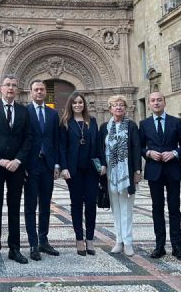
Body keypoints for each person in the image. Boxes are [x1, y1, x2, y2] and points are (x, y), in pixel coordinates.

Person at [0, 74, 32, 266]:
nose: (10, 88)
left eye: (14, 86)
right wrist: (0, 160)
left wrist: (18, 160)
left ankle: (14, 249)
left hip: (16, 167)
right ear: (0, 88)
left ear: (17, 90)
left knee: (14, 207)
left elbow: (28, 138)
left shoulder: (23, 111)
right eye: (7, 85)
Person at [139, 91, 181, 261]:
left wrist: (174, 153)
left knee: (174, 209)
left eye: (159, 100)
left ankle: (177, 247)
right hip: (154, 171)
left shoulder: (176, 121)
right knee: (157, 209)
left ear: (164, 102)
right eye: (153, 100)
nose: (156, 103)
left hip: (173, 169)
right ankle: (159, 246)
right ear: (149, 104)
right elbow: (139, 147)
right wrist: (149, 152)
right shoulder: (144, 124)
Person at [59, 91, 106, 256]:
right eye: (75, 103)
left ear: (84, 104)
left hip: (91, 170)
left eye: (80, 102)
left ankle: (90, 239)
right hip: (74, 170)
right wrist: (64, 167)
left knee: (91, 204)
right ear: (70, 105)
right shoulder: (65, 123)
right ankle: (79, 239)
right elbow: (62, 147)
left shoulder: (92, 122)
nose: (78, 105)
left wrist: (103, 164)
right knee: (76, 204)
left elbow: (99, 145)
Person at [99, 95, 141, 257]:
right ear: (110, 109)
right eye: (115, 105)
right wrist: (101, 166)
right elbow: (100, 149)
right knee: (116, 209)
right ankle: (119, 240)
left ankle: (128, 242)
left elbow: (136, 148)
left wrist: (137, 171)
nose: (118, 108)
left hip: (127, 174)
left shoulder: (131, 126)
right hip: (110, 174)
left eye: (121, 105)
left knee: (127, 209)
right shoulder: (104, 127)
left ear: (125, 108)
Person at [24, 79, 61, 261]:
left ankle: (43, 241)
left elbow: (56, 141)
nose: (39, 92)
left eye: (41, 89)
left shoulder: (53, 114)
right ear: (31, 92)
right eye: (36, 89)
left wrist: (56, 164)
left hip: (47, 165)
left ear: (45, 92)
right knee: (31, 205)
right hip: (31, 166)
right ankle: (33, 243)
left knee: (45, 205)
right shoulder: (24, 112)